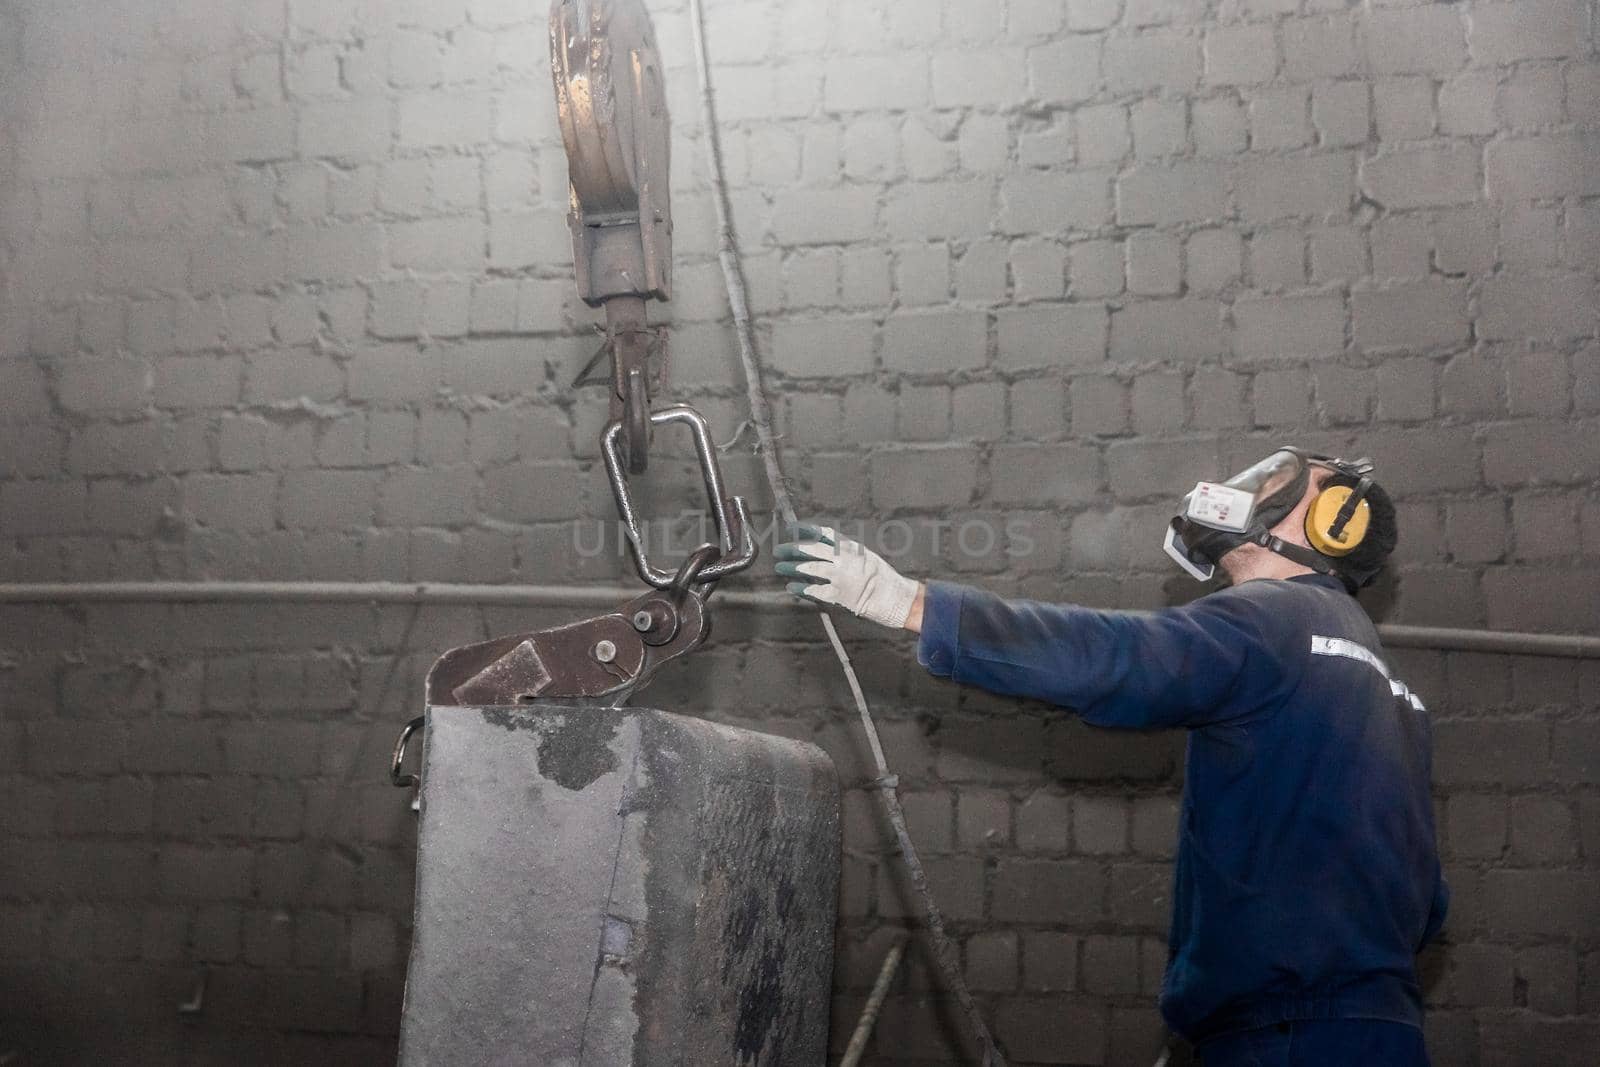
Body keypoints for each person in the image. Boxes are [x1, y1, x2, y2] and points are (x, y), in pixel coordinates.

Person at [775, 447, 1448, 1067]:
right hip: (1377, 1028)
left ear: (1335, 520)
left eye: (1275, 482)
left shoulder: (1274, 620)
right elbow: (1430, 904)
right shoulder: (1388, 684)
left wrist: (910, 603)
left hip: (1287, 1036)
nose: (1247, 489)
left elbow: (1114, 658)